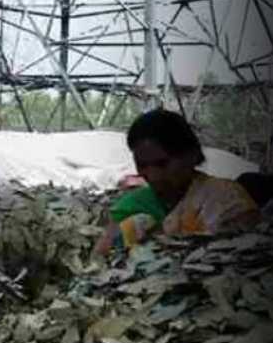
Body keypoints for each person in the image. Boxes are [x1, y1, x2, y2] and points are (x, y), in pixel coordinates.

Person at [95, 109, 260, 256]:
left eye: (162, 164)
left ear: (191, 156)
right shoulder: (133, 205)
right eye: (142, 165)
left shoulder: (226, 199)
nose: (153, 176)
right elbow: (100, 259)